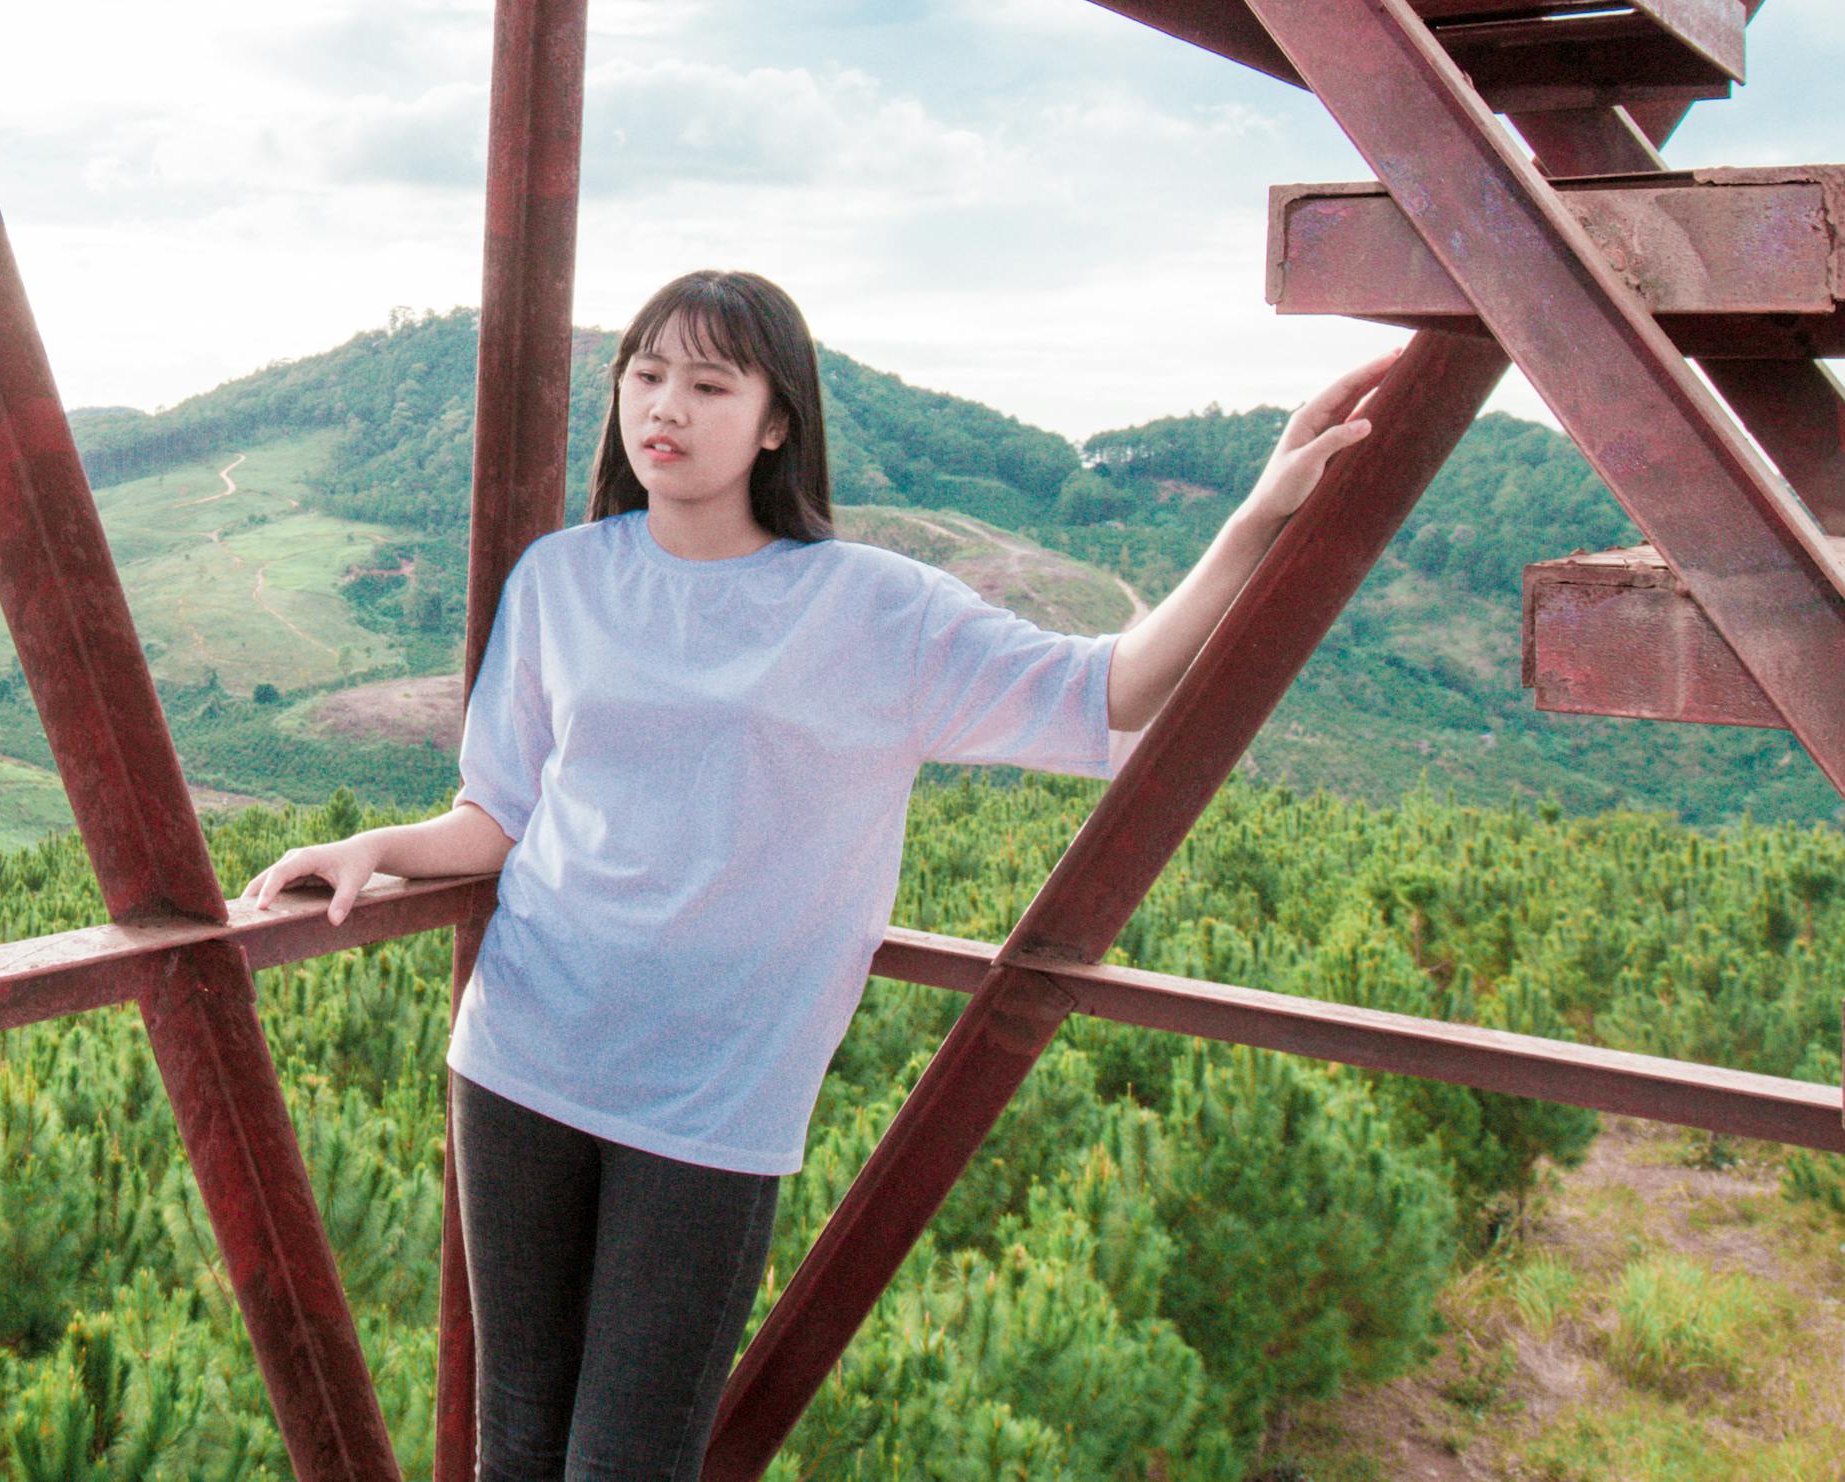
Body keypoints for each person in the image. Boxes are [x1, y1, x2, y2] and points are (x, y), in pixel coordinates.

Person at [238, 269, 1391, 1482]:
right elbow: (498, 813)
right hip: (523, 1050)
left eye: (707, 382)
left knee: (625, 1461)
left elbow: (1110, 690)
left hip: (713, 1095)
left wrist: (1255, 516)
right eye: (644, 374)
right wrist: (376, 850)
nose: (663, 406)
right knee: (513, 1441)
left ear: (777, 419)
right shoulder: (563, 578)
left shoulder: (871, 608)